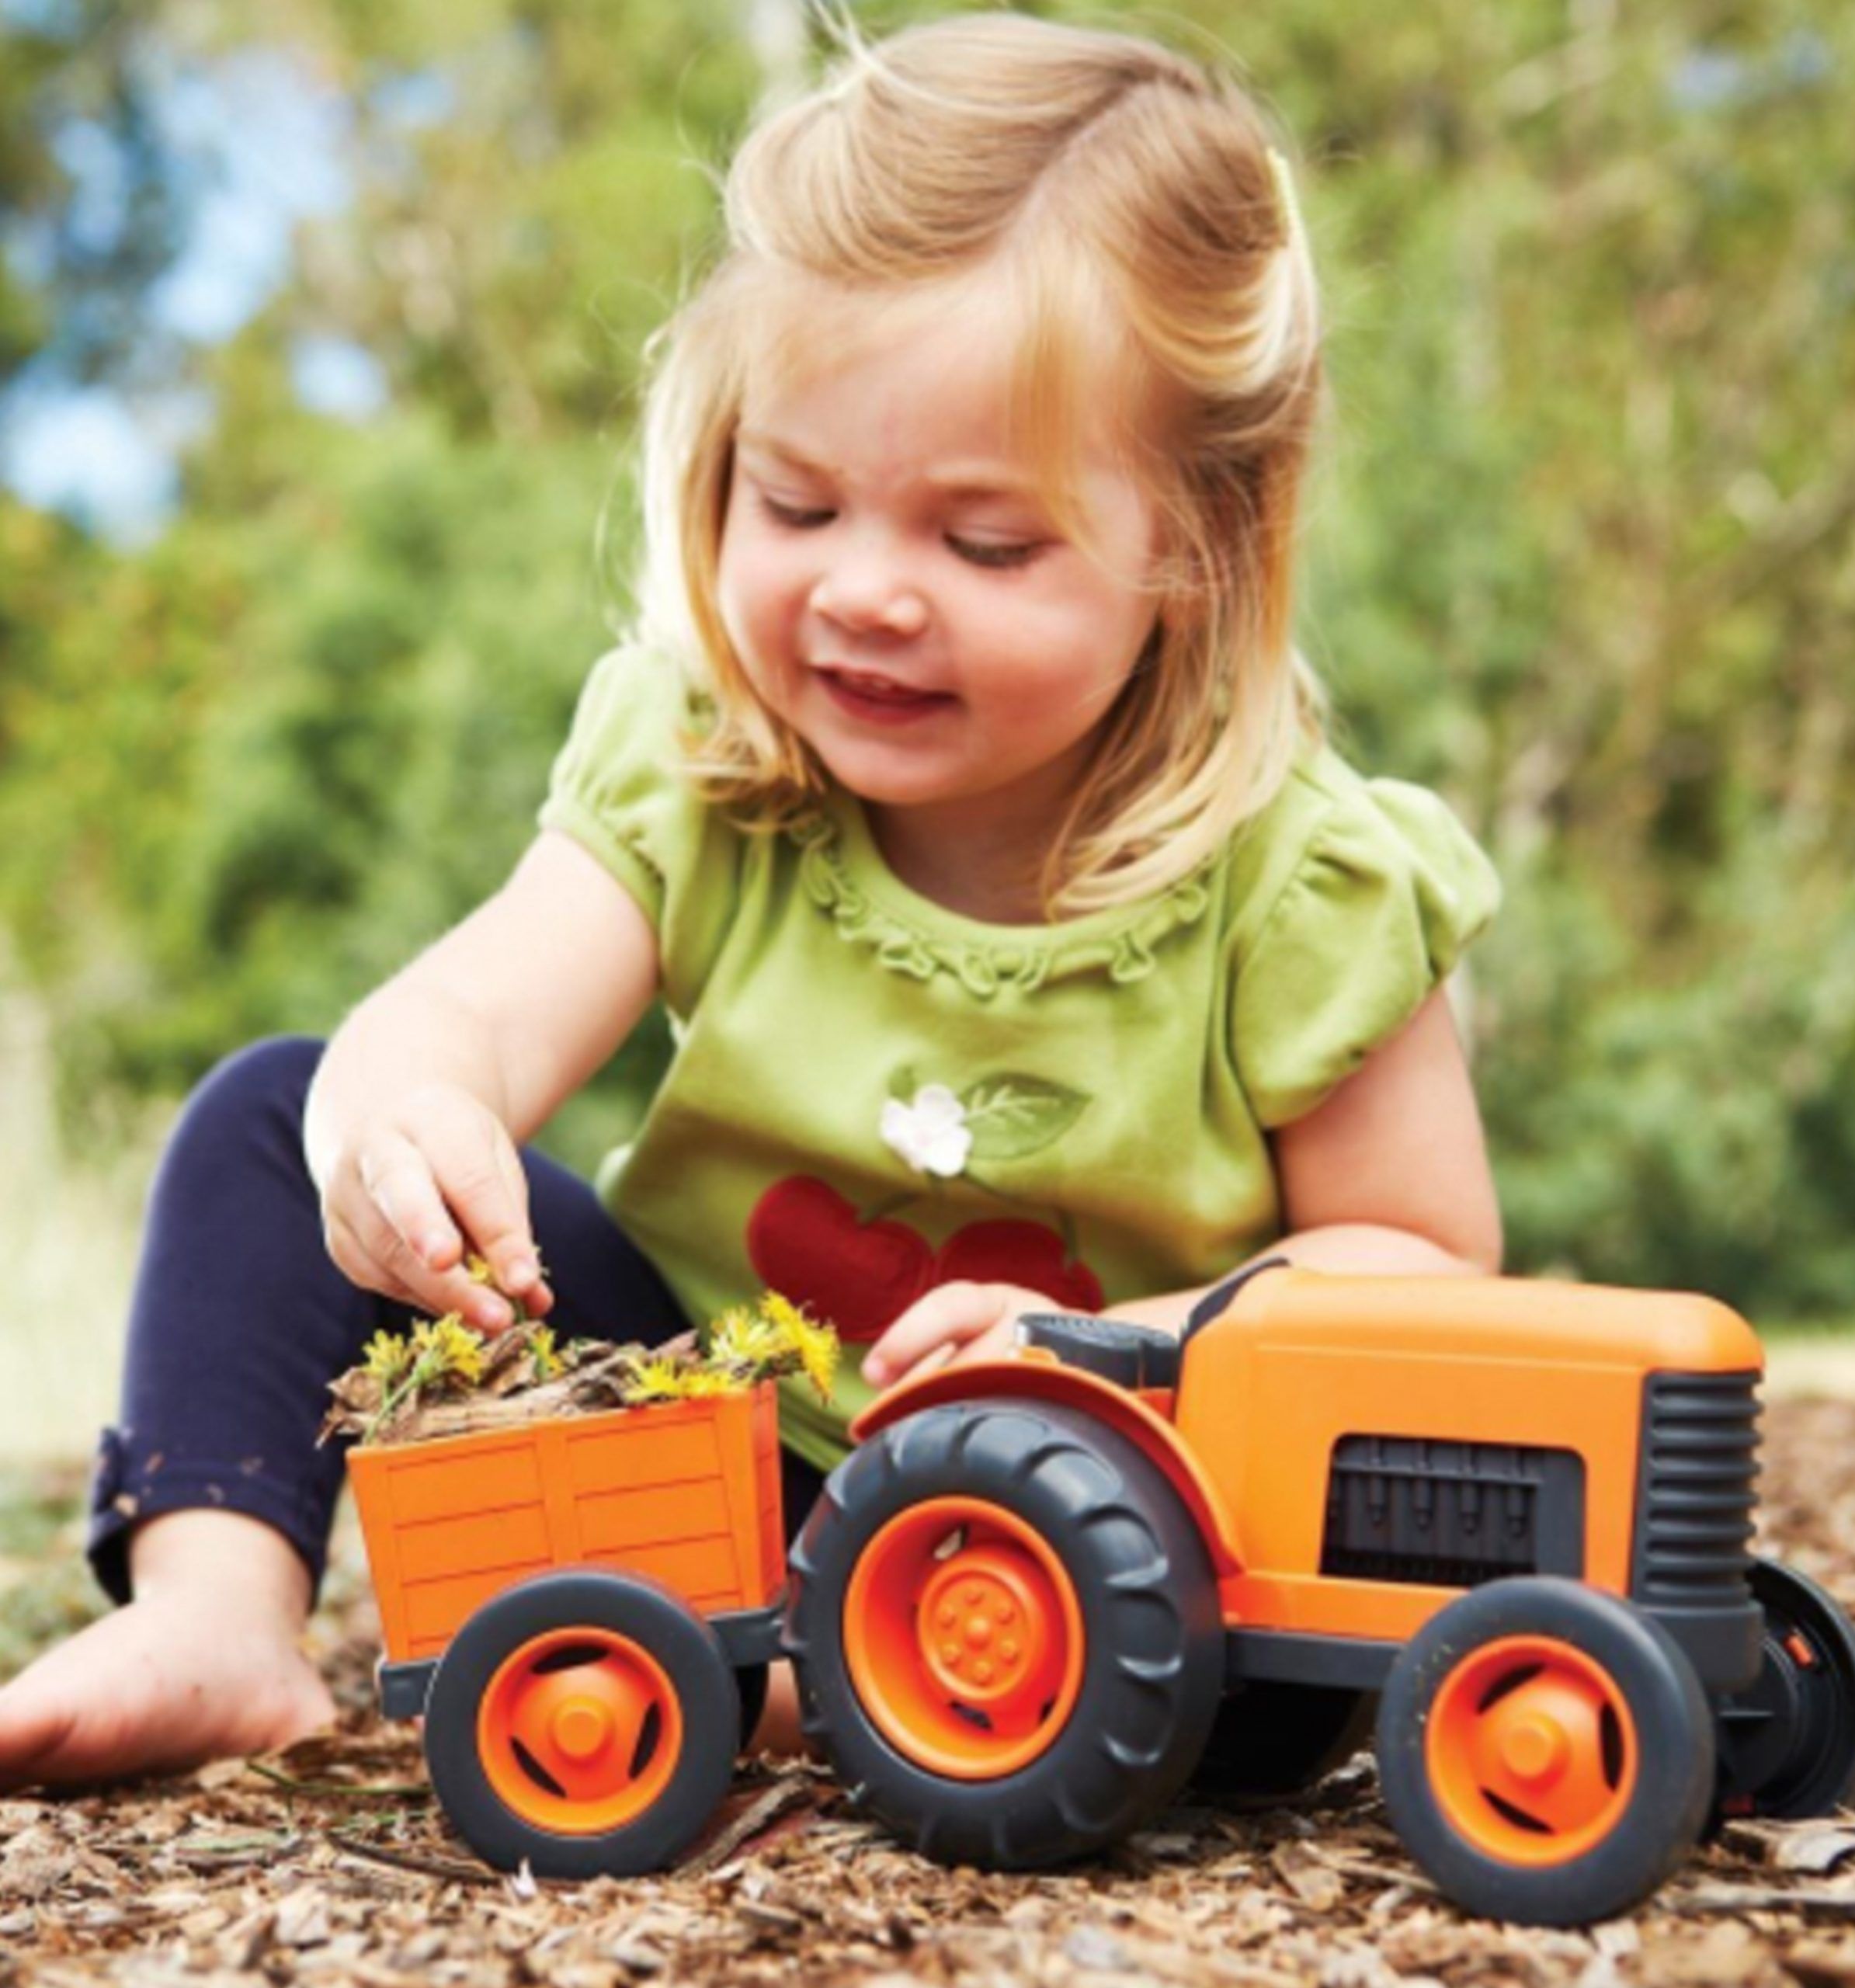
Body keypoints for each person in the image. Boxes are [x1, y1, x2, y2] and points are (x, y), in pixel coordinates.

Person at [0, 9, 1502, 1795]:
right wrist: (407, 1117)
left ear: (1196, 540)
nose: (865, 592)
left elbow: (1420, 1262)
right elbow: (476, 1007)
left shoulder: (1294, 873)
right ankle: (220, 1610)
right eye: (795, 501)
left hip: (1109, 1514)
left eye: (983, 540)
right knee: (274, 1111)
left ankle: (832, 1676)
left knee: (1263, 1670)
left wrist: (1118, 1351)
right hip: (706, 1436)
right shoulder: (709, 768)